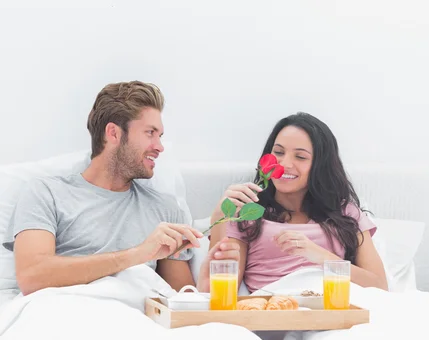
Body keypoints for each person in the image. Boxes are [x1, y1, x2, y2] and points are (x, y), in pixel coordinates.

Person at [2, 81, 239, 296]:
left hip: (141, 324)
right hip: (68, 318)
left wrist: (205, 289)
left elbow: (180, 303)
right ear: (113, 133)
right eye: (150, 133)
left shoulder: (165, 211)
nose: (159, 147)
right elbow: (32, 276)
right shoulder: (46, 194)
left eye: (160, 136)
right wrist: (138, 254)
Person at [201, 112, 388, 293]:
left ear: (320, 165)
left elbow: (379, 287)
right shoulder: (248, 213)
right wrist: (220, 215)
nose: (284, 164)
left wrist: (319, 255)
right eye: (278, 152)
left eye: (300, 157)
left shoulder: (345, 212)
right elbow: (218, 293)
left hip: (334, 311)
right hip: (275, 313)